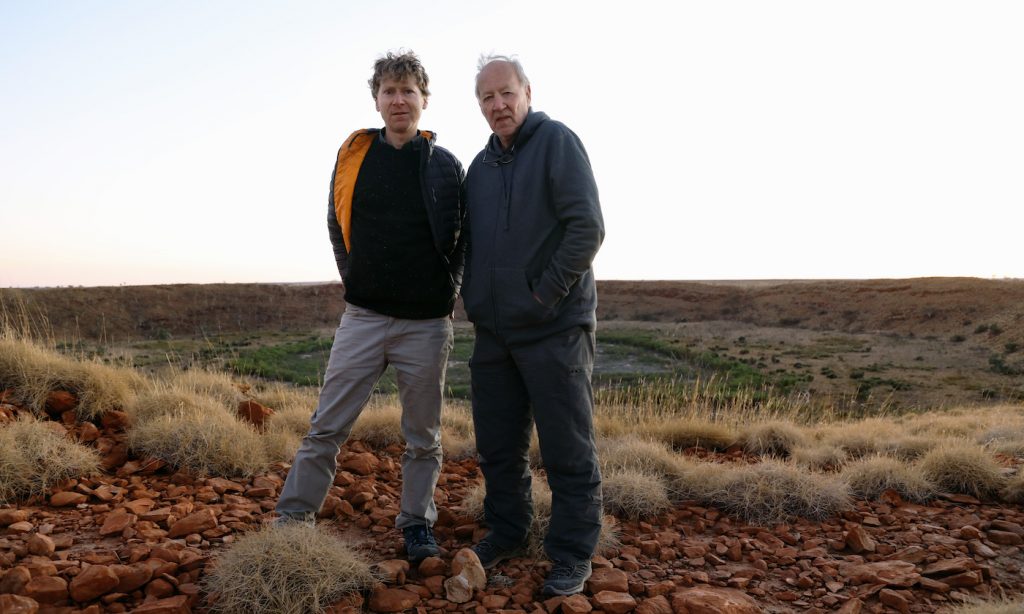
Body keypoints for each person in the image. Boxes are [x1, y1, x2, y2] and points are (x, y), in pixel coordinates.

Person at [274, 50, 466, 564]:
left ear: (424, 100)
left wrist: (449, 290)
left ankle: (417, 525)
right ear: (377, 100)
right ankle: (292, 519)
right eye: (389, 91)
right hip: (363, 317)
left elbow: (463, 238)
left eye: (408, 91)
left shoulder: (445, 165)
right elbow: (337, 227)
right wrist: (356, 279)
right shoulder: (354, 157)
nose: (399, 100)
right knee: (325, 428)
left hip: (426, 325)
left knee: (423, 437)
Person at [461, 54, 605, 596]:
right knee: (498, 446)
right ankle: (509, 530)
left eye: (505, 93)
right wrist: (474, 298)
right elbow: (470, 244)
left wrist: (544, 295)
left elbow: (586, 227)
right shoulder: (480, 167)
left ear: (527, 91)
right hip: (495, 333)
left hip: (554, 328)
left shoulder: (557, 142)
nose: (498, 105)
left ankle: (571, 553)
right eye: (486, 99)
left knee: (567, 448)